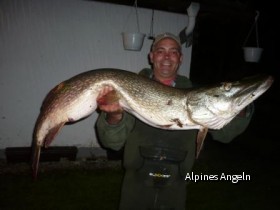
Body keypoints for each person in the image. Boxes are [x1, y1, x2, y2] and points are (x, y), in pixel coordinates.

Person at [95, 32, 253, 210]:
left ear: (180, 58)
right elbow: (111, 143)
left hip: (176, 185)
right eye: (161, 51)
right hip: (135, 184)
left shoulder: (198, 96)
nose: (167, 56)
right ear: (152, 56)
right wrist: (114, 115)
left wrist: (240, 105)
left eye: (173, 51)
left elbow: (226, 134)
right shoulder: (127, 91)